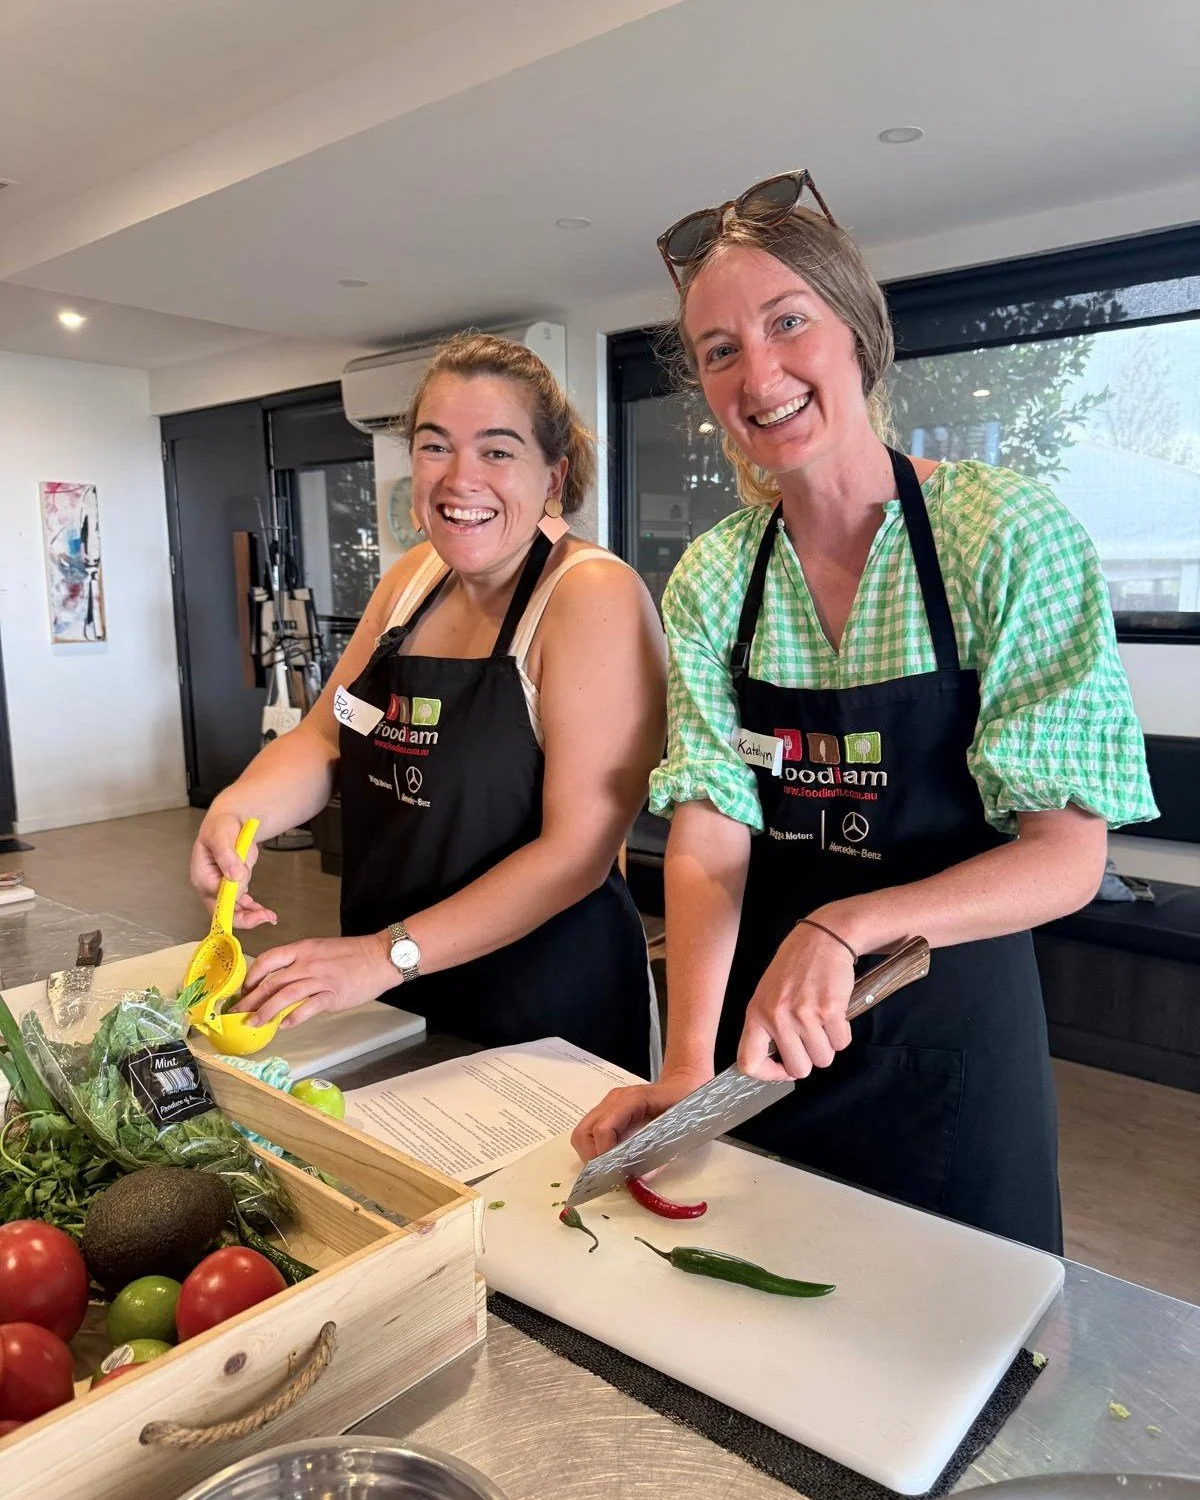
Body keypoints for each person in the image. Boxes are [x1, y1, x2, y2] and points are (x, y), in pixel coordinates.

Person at [572, 171, 1157, 1250]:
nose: (760, 373)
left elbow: (1067, 858)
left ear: (856, 333)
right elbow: (709, 824)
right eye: (719, 350)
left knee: (964, 1365)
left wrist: (847, 923)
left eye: (787, 322)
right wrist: (690, 1068)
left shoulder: (1004, 534)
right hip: (767, 1046)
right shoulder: (713, 576)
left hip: (953, 1036)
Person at [190, 333, 666, 1076]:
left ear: (553, 475)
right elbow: (322, 739)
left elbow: (576, 854)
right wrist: (237, 812)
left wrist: (386, 954)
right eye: (435, 446)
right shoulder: (414, 578)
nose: (459, 478)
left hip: (542, 1010)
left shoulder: (589, 596)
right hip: (396, 989)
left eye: (498, 451)